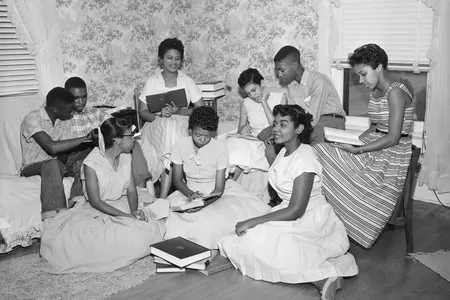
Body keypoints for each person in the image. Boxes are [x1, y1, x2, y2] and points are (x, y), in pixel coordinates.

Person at [218, 105, 358, 300]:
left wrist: (254, 221)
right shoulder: (284, 151)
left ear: (299, 129)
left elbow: (296, 210)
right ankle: (322, 274)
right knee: (243, 239)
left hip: (310, 217)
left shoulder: (305, 157)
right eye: (275, 123)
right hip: (287, 210)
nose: (276, 128)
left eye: (283, 124)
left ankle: (323, 278)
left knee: (271, 243)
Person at [313, 43, 415, 249]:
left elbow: (393, 137)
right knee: (321, 149)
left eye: (363, 74)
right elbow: (375, 128)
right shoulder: (376, 91)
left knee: (322, 154)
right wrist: (353, 141)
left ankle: (342, 221)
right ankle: (328, 221)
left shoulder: (395, 92)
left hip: (392, 152)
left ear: (378, 67)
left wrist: (359, 150)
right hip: (376, 143)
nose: (360, 80)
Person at [40, 117, 163, 273]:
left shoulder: (127, 156)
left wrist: (133, 211)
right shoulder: (91, 163)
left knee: (151, 227)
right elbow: (96, 202)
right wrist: (125, 217)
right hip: (99, 209)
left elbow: (132, 190)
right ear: (117, 140)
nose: (134, 139)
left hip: (123, 202)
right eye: (130, 136)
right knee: (107, 240)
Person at [164, 106, 270, 249]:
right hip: (187, 191)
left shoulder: (220, 148)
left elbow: (219, 189)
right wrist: (190, 194)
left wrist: (203, 204)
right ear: (190, 131)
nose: (202, 140)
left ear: (213, 134)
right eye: (197, 135)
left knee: (209, 223)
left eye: (207, 136)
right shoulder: (180, 145)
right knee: (168, 219)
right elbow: (177, 179)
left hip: (215, 194)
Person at [64, 77, 151, 200]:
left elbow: (116, 126)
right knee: (87, 160)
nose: (81, 102)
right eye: (76, 98)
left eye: (84, 97)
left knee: (134, 145)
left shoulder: (95, 113)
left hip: (101, 150)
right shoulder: (64, 118)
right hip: (77, 155)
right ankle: (77, 201)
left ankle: (139, 191)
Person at [138, 38, 205, 198]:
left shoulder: (187, 81)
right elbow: (142, 112)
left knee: (172, 130)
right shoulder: (152, 81)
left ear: (181, 60)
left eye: (177, 58)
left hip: (180, 123)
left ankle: (164, 196)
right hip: (156, 124)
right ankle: (173, 186)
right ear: (161, 60)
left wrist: (179, 111)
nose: (173, 62)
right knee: (168, 127)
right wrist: (159, 115)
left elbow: (201, 109)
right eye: (169, 58)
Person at [260, 46, 346, 164]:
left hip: (329, 122)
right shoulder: (291, 86)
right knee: (270, 151)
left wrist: (288, 132)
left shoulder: (318, 81)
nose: (279, 74)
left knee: (313, 155)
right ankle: (287, 180)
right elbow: (291, 117)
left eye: (282, 70)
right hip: (306, 126)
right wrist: (277, 130)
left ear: (294, 65)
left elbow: (313, 119)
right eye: (277, 71)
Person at [20, 87, 93, 219]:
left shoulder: (64, 120)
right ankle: (55, 216)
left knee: (88, 157)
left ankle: (77, 203)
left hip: (57, 162)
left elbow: (63, 151)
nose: (72, 114)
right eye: (69, 110)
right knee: (52, 163)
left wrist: (86, 147)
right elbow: (52, 147)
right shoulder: (32, 118)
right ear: (55, 110)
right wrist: (85, 138)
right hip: (33, 165)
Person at [224, 68, 286, 181]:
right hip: (254, 139)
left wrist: (264, 102)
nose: (252, 95)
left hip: (272, 140)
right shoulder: (246, 103)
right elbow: (241, 127)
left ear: (261, 84)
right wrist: (243, 129)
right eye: (248, 93)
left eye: (254, 90)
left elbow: (279, 126)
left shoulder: (280, 97)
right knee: (233, 147)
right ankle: (228, 186)